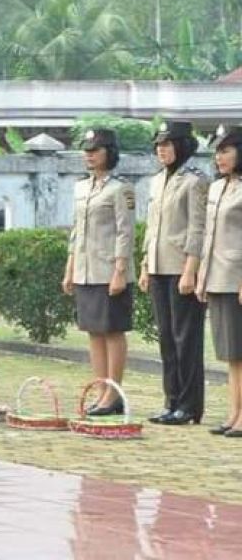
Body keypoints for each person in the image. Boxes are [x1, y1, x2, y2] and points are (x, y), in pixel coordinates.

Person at [62, 128, 137, 417]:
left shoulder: (121, 189)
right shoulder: (81, 187)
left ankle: (113, 393)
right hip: (85, 269)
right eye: (86, 151)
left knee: (113, 330)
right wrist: (70, 269)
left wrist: (120, 270)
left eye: (95, 150)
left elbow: (125, 232)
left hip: (109, 270)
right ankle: (100, 388)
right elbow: (76, 231)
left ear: (110, 152)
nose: (89, 155)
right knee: (93, 331)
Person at [140, 120, 208, 426]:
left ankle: (190, 405)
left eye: (167, 144)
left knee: (186, 339)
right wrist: (144, 266)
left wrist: (190, 270)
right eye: (158, 145)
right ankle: (171, 400)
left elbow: (198, 228)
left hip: (182, 269)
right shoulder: (156, 181)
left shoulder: (195, 181)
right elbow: (152, 228)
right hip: (157, 266)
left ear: (182, 146)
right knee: (166, 338)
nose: (161, 150)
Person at [197, 125, 242, 437]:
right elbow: (208, 236)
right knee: (230, 352)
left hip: (237, 277)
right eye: (217, 151)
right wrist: (201, 275)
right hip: (217, 276)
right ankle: (233, 413)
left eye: (226, 150)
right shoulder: (216, 188)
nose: (220, 157)